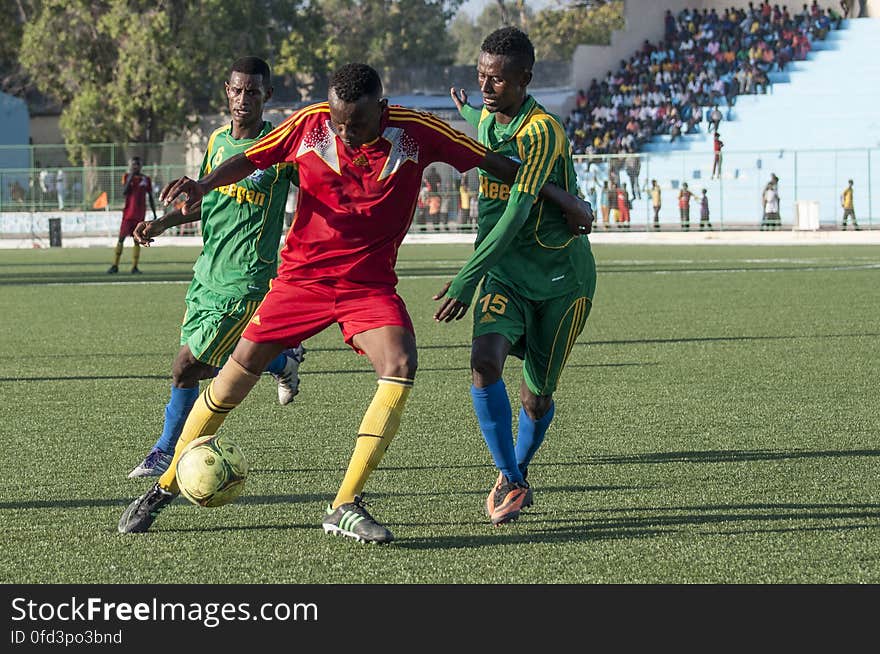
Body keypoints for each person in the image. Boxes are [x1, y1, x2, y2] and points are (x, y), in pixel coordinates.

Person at [118, 62, 592, 542]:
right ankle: (163, 487)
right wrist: (203, 185)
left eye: (358, 124)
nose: (346, 133)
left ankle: (344, 503)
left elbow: (499, 165)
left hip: (367, 286)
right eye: (339, 122)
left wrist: (565, 200)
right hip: (300, 280)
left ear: (382, 110)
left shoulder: (416, 131)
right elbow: (251, 159)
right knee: (234, 377)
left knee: (401, 363)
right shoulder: (309, 125)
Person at [439, 27, 596, 527]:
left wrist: (465, 278)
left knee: (537, 395)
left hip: (560, 281)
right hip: (505, 274)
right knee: (484, 362)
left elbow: (514, 216)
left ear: (525, 79)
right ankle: (509, 478)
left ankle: (519, 469)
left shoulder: (542, 131)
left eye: (499, 80)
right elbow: (480, 121)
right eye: (482, 76)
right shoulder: (486, 113)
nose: (488, 87)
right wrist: (465, 107)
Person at [124, 57, 306, 480]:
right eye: (238, 90)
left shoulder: (281, 151)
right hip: (207, 273)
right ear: (228, 90)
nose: (244, 100)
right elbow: (204, 200)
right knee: (224, 357)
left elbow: (320, 193)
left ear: (268, 96)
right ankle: (282, 360)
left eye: (253, 92)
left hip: (246, 280)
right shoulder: (218, 141)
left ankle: (165, 451)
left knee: (189, 366)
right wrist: (163, 223)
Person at [107, 157, 157, 274]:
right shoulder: (126, 177)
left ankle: (135, 267)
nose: (135, 167)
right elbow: (124, 192)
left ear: (141, 166)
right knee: (121, 239)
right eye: (133, 164)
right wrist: (130, 178)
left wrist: (154, 212)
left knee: (137, 240)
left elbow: (150, 197)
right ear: (131, 166)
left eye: (138, 164)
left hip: (140, 216)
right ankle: (115, 265)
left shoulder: (146, 179)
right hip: (128, 215)